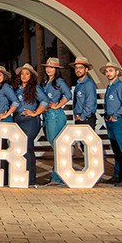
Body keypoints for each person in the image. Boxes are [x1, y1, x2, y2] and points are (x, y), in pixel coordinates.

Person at [101, 60, 122, 188]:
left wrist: (116, 115)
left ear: (117, 72)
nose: (108, 73)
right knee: (116, 149)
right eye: (107, 71)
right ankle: (117, 175)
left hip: (118, 120)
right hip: (110, 120)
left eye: (110, 70)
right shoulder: (110, 86)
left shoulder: (120, 86)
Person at [14, 63, 48, 186]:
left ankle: (30, 178)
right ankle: (20, 175)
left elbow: (44, 101)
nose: (24, 76)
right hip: (18, 119)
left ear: (31, 76)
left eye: (27, 74)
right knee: (20, 147)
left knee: (27, 146)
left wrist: (35, 113)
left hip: (30, 120)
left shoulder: (35, 88)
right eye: (22, 73)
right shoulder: (16, 89)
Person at [41, 57, 72, 186]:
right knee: (55, 145)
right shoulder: (45, 82)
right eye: (47, 67)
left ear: (56, 69)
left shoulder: (59, 81)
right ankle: (60, 174)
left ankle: (57, 176)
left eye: (52, 67)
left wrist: (58, 105)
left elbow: (68, 95)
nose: (49, 69)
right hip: (47, 115)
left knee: (57, 146)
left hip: (55, 115)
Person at [69, 57, 97, 130]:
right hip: (79, 117)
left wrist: (83, 116)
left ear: (86, 69)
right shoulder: (79, 84)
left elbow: (90, 102)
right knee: (81, 140)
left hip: (86, 118)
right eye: (76, 68)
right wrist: (76, 115)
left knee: (87, 141)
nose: (78, 70)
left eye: (81, 68)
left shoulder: (88, 84)